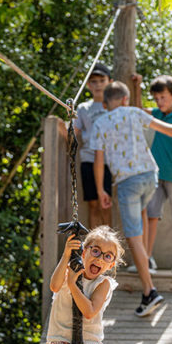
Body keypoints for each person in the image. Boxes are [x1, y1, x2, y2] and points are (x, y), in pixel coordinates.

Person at [92, 81, 172, 316]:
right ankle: (146, 263)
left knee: (133, 237)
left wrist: (101, 190)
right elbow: (170, 130)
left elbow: (99, 161)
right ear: (124, 99)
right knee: (140, 221)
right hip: (150, 176)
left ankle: (149, 291)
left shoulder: (100, 123)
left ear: (105, 102)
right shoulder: (133, 112)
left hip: (127, 182)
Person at [132, 74, 172, 273]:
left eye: (164, 98)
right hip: (156, 175)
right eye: (157, 98)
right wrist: (137, 88)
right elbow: (137, 110)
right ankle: (147, 259)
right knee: (150, 215)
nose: (160, 102)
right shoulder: (158, 114)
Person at [73, 62, 113, 228]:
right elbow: (72, 133)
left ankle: (110, 249)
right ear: (88, 85)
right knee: (93, 205)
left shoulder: (113, 105)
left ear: (109, 82)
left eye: (101, 80)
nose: (98, 85)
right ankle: (94, 249)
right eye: (94, 81)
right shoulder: (83, 108)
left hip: (110, 161)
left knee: (106, 204)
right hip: (89, 159)